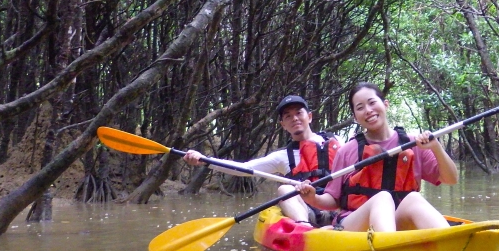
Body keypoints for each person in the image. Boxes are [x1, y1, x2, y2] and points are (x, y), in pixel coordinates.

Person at [296, 82, 458, 232]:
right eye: (360, 107)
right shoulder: (346, 151)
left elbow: (451, 179)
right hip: (355, 223)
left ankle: (451, 244)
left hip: (396, 222)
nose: (368, 110)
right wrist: (313, 198)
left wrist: (436, 147)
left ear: (385, 104)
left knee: (414, 198)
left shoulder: (414, 143)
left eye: (372, 102)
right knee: (383, 198)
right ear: (355, 117)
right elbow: (333, 200)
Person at [184, 95, 339, 227]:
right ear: (283, 125)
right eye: (288, 116)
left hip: (337, 205)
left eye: (299, 113)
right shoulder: (282, 156)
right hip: (308, 210)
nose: (295, 118)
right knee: (284, 190)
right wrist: (206, 161)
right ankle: (304, 230)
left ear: (309, 117)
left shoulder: (336, 142)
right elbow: (244, 169)